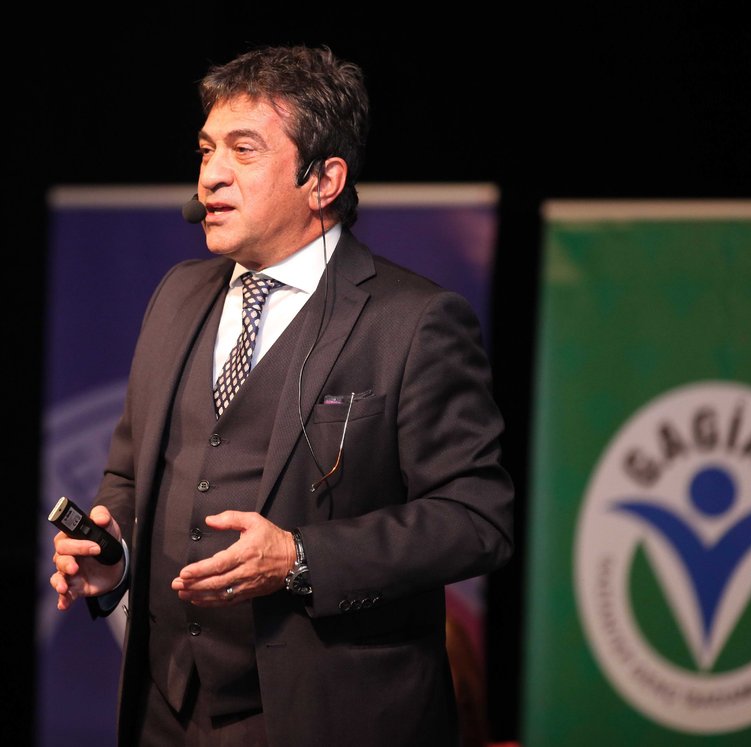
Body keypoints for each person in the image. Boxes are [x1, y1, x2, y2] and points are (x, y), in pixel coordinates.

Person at [49, 44, 514, 747]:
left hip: (328, 714)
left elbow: (476, 519)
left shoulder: (413, 320)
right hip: (164, 710)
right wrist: (113, 552)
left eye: (244, 150)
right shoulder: (177, 295)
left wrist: (300, 557)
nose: (211, 175)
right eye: (207, 150)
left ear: (323, 179)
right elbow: (130, 474)